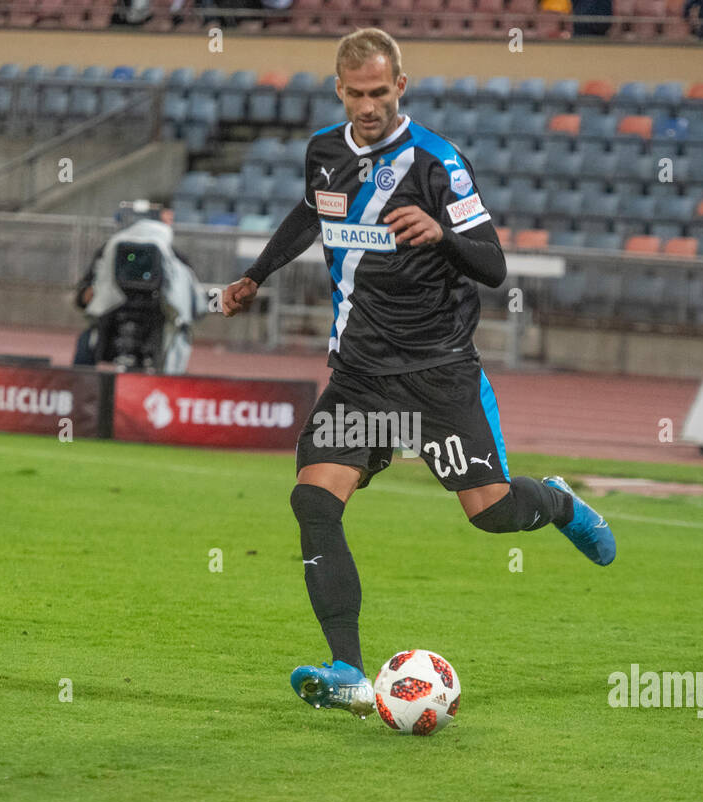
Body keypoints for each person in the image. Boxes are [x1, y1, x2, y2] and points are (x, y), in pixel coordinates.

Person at [221, 28, 617, 720]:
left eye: (380, 92)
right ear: (339, 89)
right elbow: (311, 213)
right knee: (314, 502)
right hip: (361, 376)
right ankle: (346, 668)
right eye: (356, 93)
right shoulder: (323, 152)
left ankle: (555, 502)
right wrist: (256, 275)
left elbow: (492, 266)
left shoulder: (438, 164)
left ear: (400, 86)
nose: (368, 105)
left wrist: (443, 234)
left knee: (491, 515)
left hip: (438, 374)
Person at [73, 200, 203, 373]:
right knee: (86, 342)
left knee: (177, 342)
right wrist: (97, 294)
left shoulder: (173, 258)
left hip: (157, 325)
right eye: (164, 219)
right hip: (112, 323)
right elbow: (82, 297)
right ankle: (79, 389)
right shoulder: (110, 251)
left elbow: (189, 301)